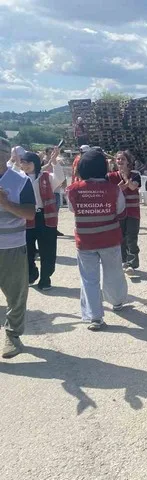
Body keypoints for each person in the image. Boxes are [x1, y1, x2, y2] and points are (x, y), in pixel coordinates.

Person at [66, 149, 128, 331]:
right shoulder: (113, 189)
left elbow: (72, 210)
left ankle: (95, 317)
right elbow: (121, 211)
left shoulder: (73, 190)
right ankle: (117, 302)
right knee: (114, 272)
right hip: (110, 240)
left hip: (85, 242)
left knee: (89, 279)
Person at [0, 137, 35, 358]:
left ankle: (12, 336)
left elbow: (30, 213)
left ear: (4, 156)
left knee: (15, 295)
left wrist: (4, 203)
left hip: (11, 247)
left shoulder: (20, 181)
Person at [20, 149, 64, 291]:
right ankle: (31, 274)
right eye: (22, 162)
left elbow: (60, 178)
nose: (24, 165)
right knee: (27, 249)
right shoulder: (19, 178)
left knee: (48, 250)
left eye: (27, 162)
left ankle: (45, 278)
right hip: (26, 217)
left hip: (45, 217)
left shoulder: (46, 177)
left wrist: (54, 161)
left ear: (36, 163)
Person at [107, 150, 141, 276]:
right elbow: (108, 192)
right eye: (118, 159)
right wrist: (117, 190)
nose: (120, 161)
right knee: (120, 237)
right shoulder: (111, 176)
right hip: (118, 212)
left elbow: (133, 187)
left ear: (128, 162)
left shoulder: (135, 174)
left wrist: (126, 178)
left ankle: (132, 263)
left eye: (122, 159)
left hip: (133, 212)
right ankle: (123, 261)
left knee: (131, 237)